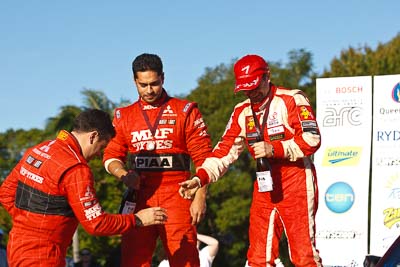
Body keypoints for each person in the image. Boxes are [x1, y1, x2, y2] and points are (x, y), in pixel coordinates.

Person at [179, 54, 323, 266]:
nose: (252, 93)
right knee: (257, 257)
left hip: (296, 181)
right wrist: (199, 178)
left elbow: (312, 139)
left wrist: (274, 149)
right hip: (264, 186)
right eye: (246, 89)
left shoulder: (291, 99)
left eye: (255, 86)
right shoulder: (242, 111)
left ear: (267, 77)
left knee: (303, 255)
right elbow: (223, 152)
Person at [0, 109, 167, 267]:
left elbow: (6, 193)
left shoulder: (38, 150)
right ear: (93, 136)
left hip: (17, 246)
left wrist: (31, 224)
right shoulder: (76, 168)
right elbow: (96, 224)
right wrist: (138, 219)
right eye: (102, 147)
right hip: (44, 254)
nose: (98, 155)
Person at [103, 53, 213, 267]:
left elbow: (204, 157)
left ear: (163, 78)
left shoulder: (185, 111)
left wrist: (200, 196)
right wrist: (124, 175)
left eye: (154, 83)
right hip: (140, 196)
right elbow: (111, 156)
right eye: (143, 85)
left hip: (178, 194)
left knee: (185, 259)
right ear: (135, 81)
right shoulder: (123, 116)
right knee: (134, 259)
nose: (149, 90)